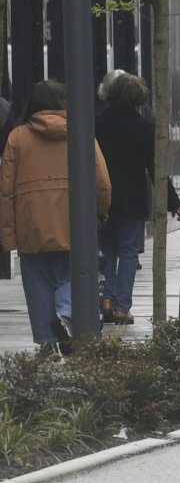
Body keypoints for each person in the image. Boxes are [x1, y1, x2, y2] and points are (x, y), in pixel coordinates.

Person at [0, 81, 112, 351]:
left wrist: (8, 234)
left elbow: (5, 190)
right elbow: (101, 181)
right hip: (73, 221)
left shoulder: (17, 137)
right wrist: (100, 212)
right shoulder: (81, 133)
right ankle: (66, 314)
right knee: (70, 273)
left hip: (31, 222)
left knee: (36, 281)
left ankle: (47, 343)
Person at [94, 73, 156, 324]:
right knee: (129, 251)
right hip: (132, 197)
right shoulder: (143, 126)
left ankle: (107, 299)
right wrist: (173, 202)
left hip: (103, 195)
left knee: (107, 247)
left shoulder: (97, 122)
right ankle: (122, 306)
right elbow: (153, 165)